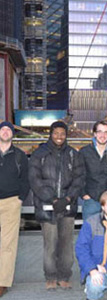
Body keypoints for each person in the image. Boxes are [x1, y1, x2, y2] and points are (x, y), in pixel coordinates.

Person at [28, 121, 84, 290]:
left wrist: (67, 199)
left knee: (67, 244)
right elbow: (35, 180)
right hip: (47, 206)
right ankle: (50, 276)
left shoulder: (74, 155)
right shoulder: (39, 154)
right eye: (56, 133)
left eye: (62, 133)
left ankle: (64, 275)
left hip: (67, 206)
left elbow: (79, 179)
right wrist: (52, 199)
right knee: (50, 244)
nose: (59, 136)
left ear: (66, 135)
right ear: (50, 134)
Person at [0, 121, 29, 297]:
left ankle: (2, 281)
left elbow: (25, 179)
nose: (5, 132)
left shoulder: (19, 156)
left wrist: (20, 199)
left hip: (11, 202)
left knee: (8, 244)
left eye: (8, 130)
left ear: (12, 134)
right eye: (2, 129)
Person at [80, 120, 107, 221]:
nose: (102, 135)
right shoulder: (84, 152)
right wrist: (83, 194)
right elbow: (78, 174)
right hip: (91, 200)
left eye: (106, 132)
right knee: (90, 233)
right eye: (99, 131)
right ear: (94, 133)